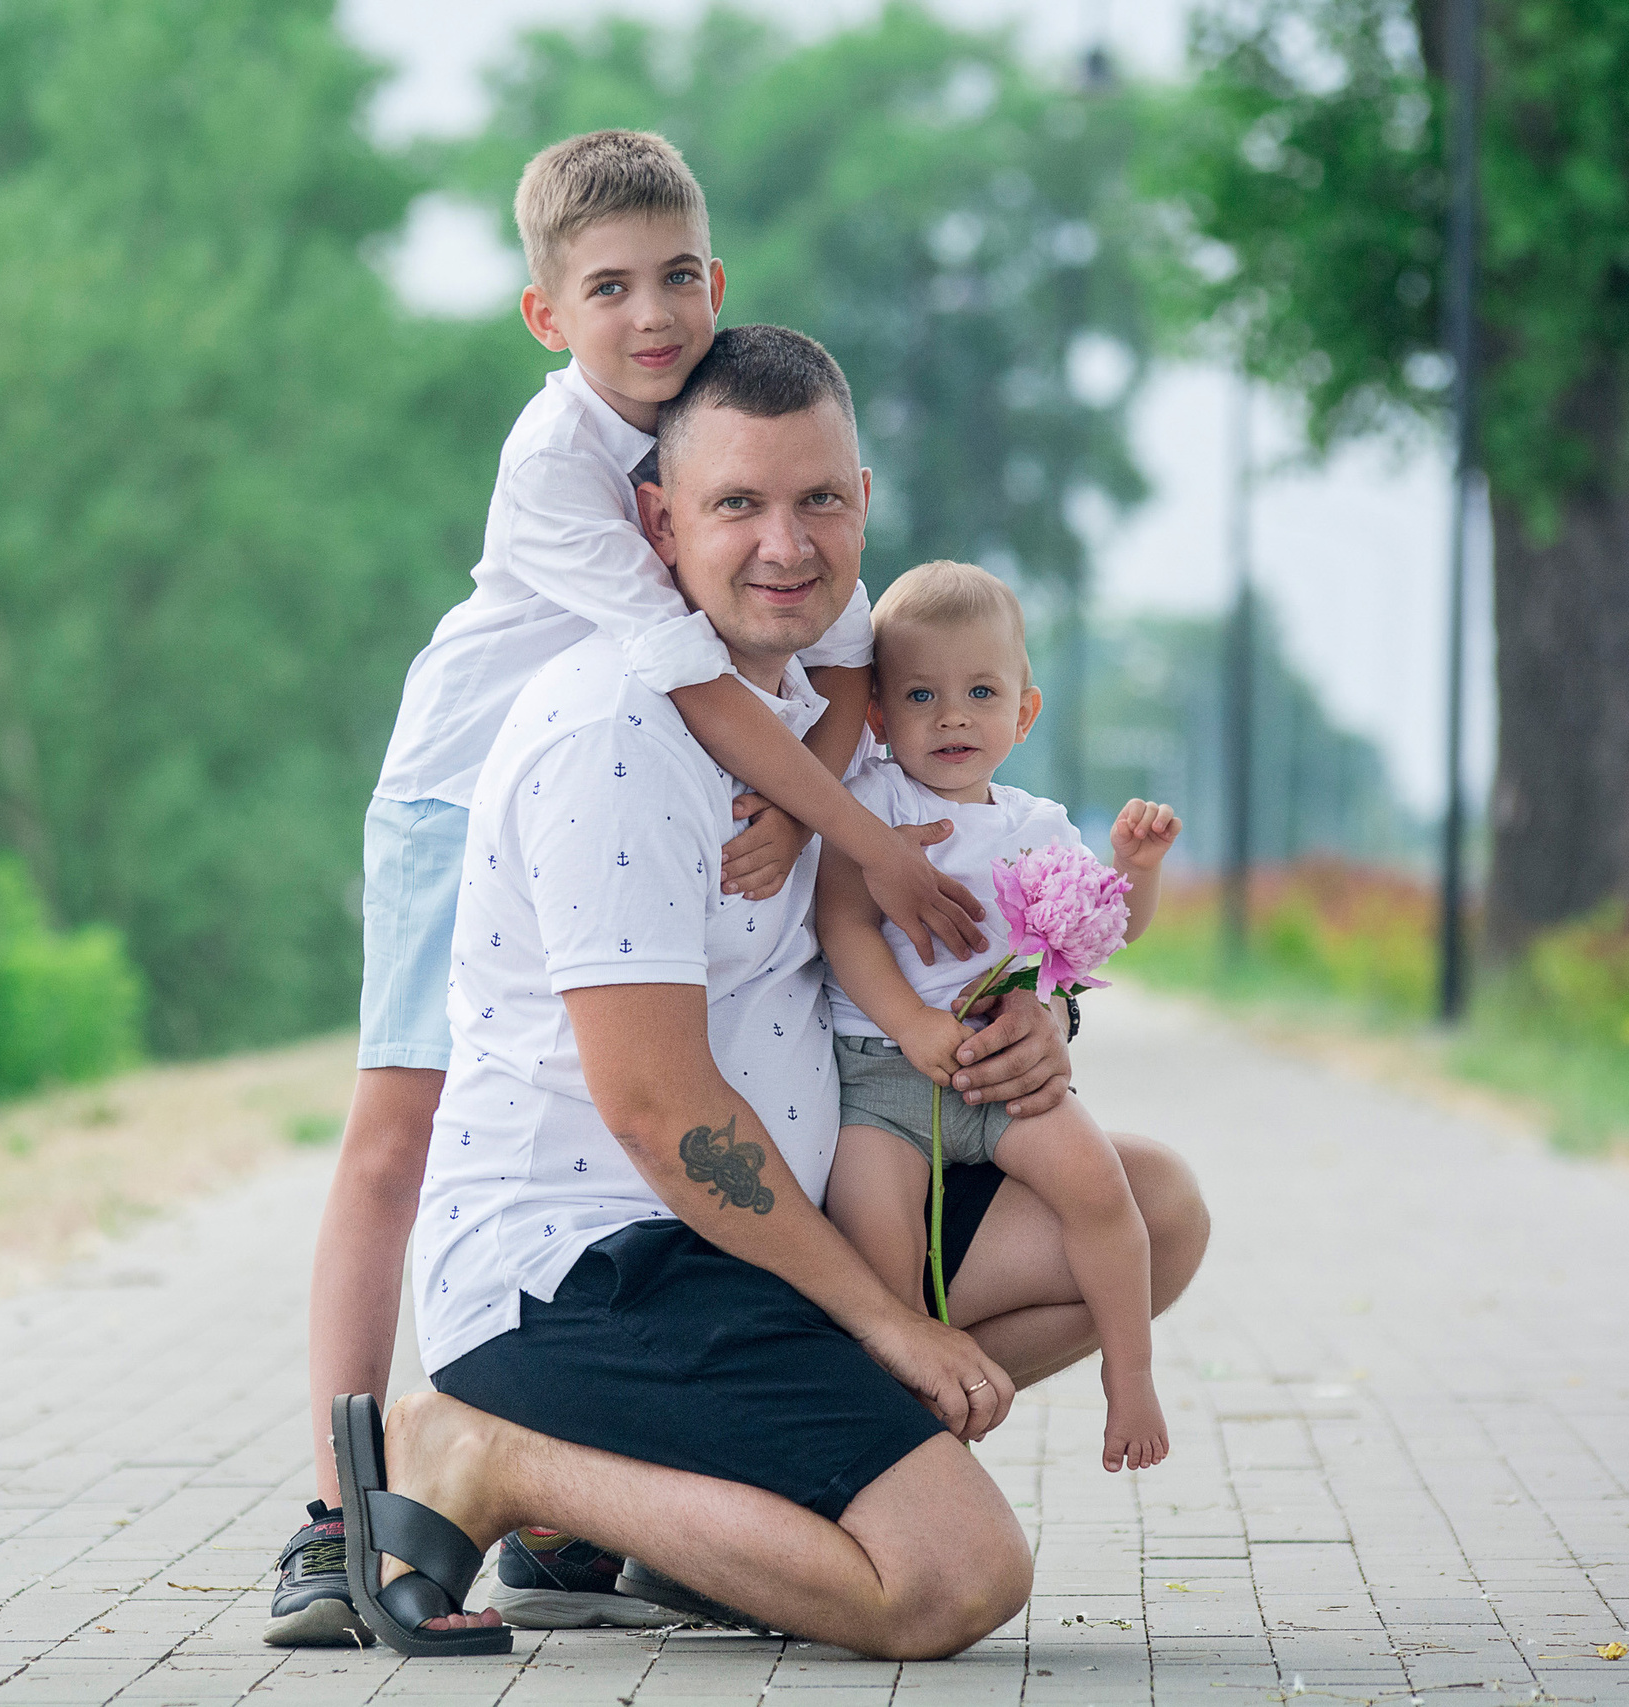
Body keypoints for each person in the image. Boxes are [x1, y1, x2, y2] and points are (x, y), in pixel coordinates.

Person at [326, 326, 1208, 1660]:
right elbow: (663, 1112)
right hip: (594, 1266)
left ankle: (664, 1526)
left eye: (820, 501)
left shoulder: (825, 716)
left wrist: (1036, 1015)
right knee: (950, 1578)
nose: (786, 544)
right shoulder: (612, 736)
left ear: (864, 504)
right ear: (658, 521)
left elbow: (947, 916)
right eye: (737, 503)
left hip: (766, 1235)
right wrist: (885, 1325)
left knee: (1150, 1210)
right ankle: (492, 1454)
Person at [273, 130, 990, 1646]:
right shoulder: (557, 462)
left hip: (642, 776)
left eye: (675, 276)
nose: (650, 313)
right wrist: (851, 836)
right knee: (399, 1135)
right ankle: (346, 1504)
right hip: (468, 784)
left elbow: (844, 660)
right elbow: (701, 688)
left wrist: (805, 825)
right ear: (548, 315)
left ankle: (613, 1511)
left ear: (716, 278)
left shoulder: (735, 420)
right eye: (609, 287)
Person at [814, 559, 1182, 1475]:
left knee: (1103, 1190)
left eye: (981, 692)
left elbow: (1104, 932)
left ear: (1023, 713)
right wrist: (911, 1025)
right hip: (883, 1079)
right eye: (921, 694)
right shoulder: (869, 808)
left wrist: (1136, 868)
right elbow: (845, 926)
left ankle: (1130, 1376)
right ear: (877, 715)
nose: (951, 716)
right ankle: (904, 1426)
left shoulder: (1037, 825)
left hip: (1002, 1077)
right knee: (881, 1264)